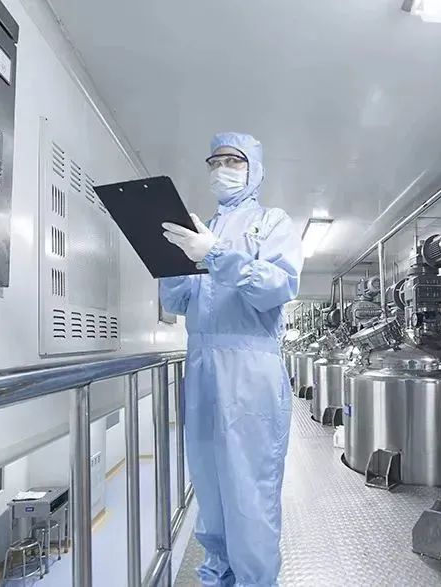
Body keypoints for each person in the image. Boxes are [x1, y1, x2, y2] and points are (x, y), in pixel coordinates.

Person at [159, 132, 302, 586]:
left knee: (249, 493)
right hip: (201, 366)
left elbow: (277, 287)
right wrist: (171, 263)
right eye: (215, 161)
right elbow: (178, 302)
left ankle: (256, 581)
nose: (222, 169)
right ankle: (218, 577)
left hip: (249, 372)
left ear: (254, 167)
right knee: (211, 487)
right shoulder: (203, 228)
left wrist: (217, 255)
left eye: (233, 160)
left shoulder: (271, 221)